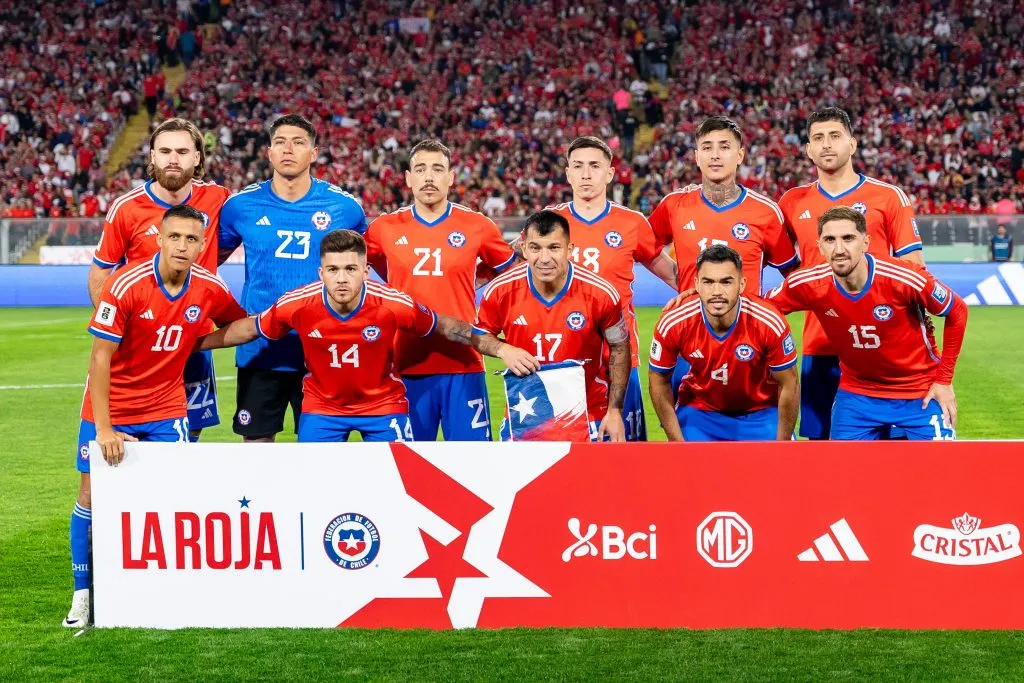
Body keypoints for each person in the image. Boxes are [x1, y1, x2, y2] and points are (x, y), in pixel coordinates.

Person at [65, 206, 247, 628]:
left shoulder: (207, 286)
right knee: (91, 498)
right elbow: (100, 357)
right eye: (175, 237)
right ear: (159, 240)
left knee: (174, 494)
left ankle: (166, 587)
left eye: (191, 240)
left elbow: (237, 326)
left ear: (202, 246)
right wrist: (107, 429)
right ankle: (83, 594)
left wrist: (195, 343)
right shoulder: (125, 284)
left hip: (167, 407)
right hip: (111, 405)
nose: (183, 246)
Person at [199, 230, 471, 443]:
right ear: (321, 273)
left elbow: (443, 325)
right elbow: (249, 328)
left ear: (365, 272)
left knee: (398, 485)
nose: (342, 278)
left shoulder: (392, 303)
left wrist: (496, 347)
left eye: (351, 269)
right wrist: (196, 344)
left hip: (383, 406)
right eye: (333, 270)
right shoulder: (298, 303)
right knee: (317, 489)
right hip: (323, 409)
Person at [778, 106, 927, 439]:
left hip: (884, 348)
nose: (826, 144)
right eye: (818, 138)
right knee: (822, 453)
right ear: (808, 149)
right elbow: (788, 270)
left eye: (835, 136)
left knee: (895, 457)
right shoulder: (791, 202)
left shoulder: (887, 197)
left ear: (853, 144)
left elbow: (915, 270)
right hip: (822, 345)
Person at [217, 114, 367, 443]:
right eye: (280, 142)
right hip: (259, 349)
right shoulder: (240, 206)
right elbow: (205, 267)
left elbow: (366, 270)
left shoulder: (344, 208)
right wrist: (227, 313)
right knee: (257, 448)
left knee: (321, 453)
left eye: (298, 142)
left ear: (314, 153)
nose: (288, 149)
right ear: (268, 152)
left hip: (322, 350)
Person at [767, 207, 968, 440]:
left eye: (848, 238)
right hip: (857, 395)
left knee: (940, 472)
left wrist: (944, 381)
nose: (839, 249)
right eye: (830, 240)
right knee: (844, 474)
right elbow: (762, 312)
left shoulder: (903, 278)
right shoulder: (809, 283)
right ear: (819, 246)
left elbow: (958, 311)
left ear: (866, 242)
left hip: (919, 393)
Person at [86, 118, 230, 441]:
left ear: (198, 157)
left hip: (190, 342)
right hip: (138, 350)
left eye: (182, 151)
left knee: (184, 446)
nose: (173, 159)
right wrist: (120, 328)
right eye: (164, 151)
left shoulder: (220, 200)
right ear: (152, 157)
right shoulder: (127, 208)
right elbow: (99, 273)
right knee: (108, 458)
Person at [364, 140, 517, 442]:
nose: (429, 177)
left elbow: (513, 274)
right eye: (420, 169)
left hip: (464, 364)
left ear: (451, 177)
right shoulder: (384, 228)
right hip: (404, 365)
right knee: (408, 469)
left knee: (471, 468)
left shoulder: (477, 226)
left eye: (438, 169)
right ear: (408, 178)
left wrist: (479, 282)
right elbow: (356, 270)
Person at [648, 116, 798, 400]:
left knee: (762, 432)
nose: (715, 155)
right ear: (696, 156)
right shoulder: (674, 206)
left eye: (725, 146)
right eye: (707, 147)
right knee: (690, 432)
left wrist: (767, 305)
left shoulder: (765, 212)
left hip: (750, 337)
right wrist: (679, 281)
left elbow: (792, 273)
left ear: (740, 154)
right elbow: (645, 248)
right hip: (690, 336)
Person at [547, 136, 677, 442]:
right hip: (563, 360)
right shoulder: (550, 221)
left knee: (625, 463)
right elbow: (513, 265)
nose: (586, 174)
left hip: (618, 360)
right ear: (567, 173)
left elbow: (674, 275)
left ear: (610, 173)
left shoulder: (631, 222)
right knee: (563, 461)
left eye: (594, 166)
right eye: (578, 166)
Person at [471, 210, 629, 442]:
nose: (544, 258)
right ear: (524, 250)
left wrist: (614, 411)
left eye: (554, 248)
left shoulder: (601, 293)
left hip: (588, 413)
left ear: (570, 249)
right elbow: (479, 335)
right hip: (525, 414)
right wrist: (504, 349)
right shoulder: (501, 290)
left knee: (586, 479)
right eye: (535, 248)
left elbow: (620, 347)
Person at [648, 245, 799, 441]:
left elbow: (790, 384)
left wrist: (783, 444)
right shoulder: (674, 322)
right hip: (700, 412)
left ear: (742, 284)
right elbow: (658, 380)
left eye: (726, 282)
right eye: (708, 282)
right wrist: (677, 442)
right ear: (697, 284)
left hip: (761, 412)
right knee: (685, 469)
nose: (717, 291)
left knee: (780, 470)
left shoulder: (768, 321)